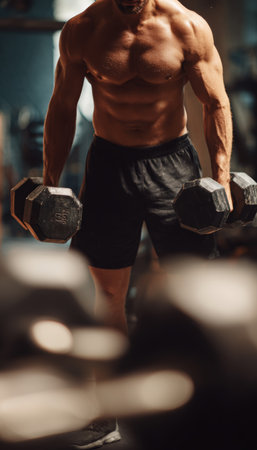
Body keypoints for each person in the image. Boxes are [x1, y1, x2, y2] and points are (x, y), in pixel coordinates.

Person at [43, 0, 233, 447]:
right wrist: (49, 182)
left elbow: (216, 102)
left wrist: (221, 179)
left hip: (173, 164)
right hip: (109, 164)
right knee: (104, 289)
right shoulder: (82, 29)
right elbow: (63, 104)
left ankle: (188, 406)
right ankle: (107, 411)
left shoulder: (187, 26)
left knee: (187, 289)